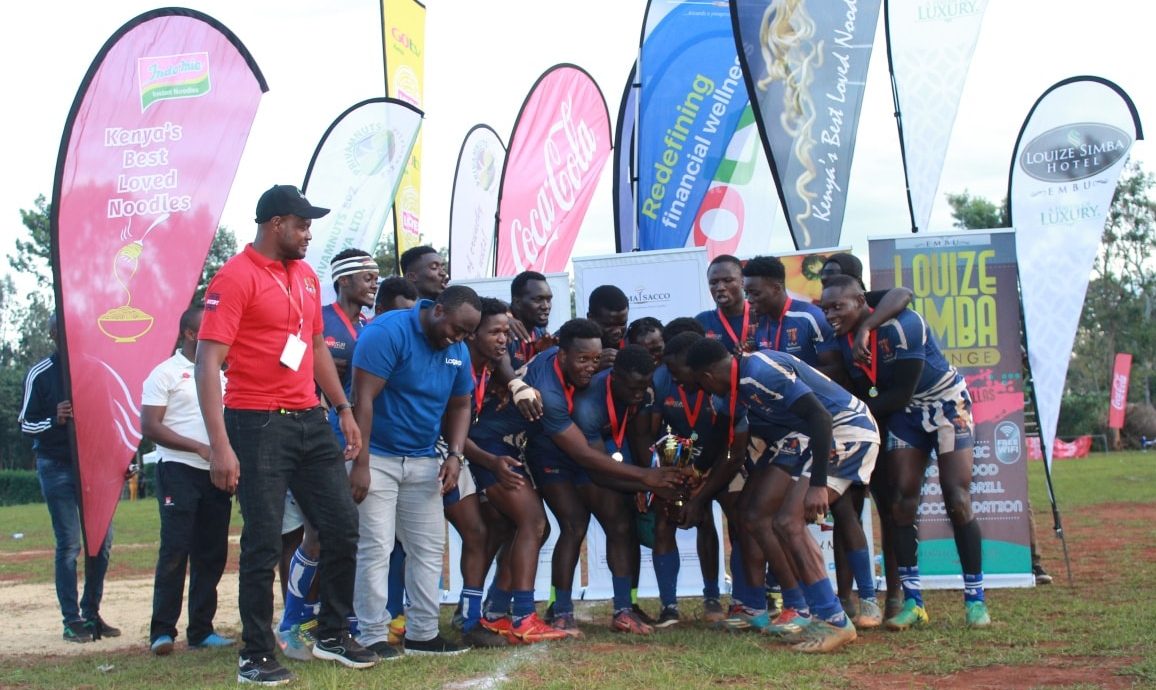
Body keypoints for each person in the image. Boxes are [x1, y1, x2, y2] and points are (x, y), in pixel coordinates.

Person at [196, 184, 376, 685]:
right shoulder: (234, 278)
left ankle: (333, 633)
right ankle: (255, 654)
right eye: (301, 225)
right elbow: (207, 363)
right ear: (276, 223)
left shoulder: (308, 277)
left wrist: (341, 408)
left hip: (309, 418)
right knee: (261, 541)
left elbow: (315, 345)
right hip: (255, 423)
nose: (308, 233)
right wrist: (220, 446)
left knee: (342, 526)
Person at [821, 275, 992, 630]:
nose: (830, 315)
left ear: (860, 302)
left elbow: (903, 294)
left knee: (957, 498)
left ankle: (976, 601)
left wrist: (867, 328)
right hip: (906, 415)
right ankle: (914, 602)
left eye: (837, 306)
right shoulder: (841, 335)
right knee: (901, 504)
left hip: (946, 405)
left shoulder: (904, 326)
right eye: (825, 308)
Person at [687, 338, 879, 653]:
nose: (706, 393)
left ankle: (833, 619)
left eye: (701, 386)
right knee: (778, 522)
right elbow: (722, 434)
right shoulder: (740, 383)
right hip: (810, 438)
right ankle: (818, 612)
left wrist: (817, 484)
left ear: (707, 377)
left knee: (789, 522)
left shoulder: (760, 372)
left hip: (847, 431)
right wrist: (695, 471)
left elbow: (821, 417)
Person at [348, 285, 482, 657]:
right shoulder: (387, 332)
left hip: (423, 457)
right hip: (375, 454)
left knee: (427, 547)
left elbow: (460, 405)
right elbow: (363, 400)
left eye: (468, 334)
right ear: (438, 310)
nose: (460, 339)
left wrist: (454, 455)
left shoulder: (456, 349)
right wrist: (360, 464)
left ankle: (423, 633)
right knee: (376, 545)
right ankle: (372, 634)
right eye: (457, 330)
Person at [276, 248, 379, 660]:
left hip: (360, 438)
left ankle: (339, 619)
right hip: (319, 439)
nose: (375, 282)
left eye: (376, 275)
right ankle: (292, 620)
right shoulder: (318, 319)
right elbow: (292, 366)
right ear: (343, 280)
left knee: (349, 529)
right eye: (367, 276)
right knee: (316, 531)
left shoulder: (372, 326)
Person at [460, 299, 565, 644]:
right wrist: (491, 461)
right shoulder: (456, 365)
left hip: (488, 450)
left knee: (515, 527)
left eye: (507, 331)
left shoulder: (496, 364)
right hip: (476, 452)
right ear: (471, 334)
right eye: (495, 332)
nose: (504, 339)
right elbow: (451, 430)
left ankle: (492, 611)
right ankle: (519, 616)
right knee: (530, 524)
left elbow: (506, 361)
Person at [20, 315, 120, 643]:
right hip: (57, 465)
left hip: (93, 467)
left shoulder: (95, 368)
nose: (73, 336)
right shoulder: (41, 373)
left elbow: (109, 418)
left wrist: (119, 458)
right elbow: (25, 423)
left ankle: (91, 613)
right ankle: (71, 620)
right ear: (53, 335)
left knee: (101, 542)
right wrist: (54, 418)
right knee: (69, 544)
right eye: (64, 331)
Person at [141, 305, 234, 655]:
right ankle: (162, 632)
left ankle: (201, 630)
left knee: (211, 552)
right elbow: (150, 427)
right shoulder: (165, 373)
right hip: (178, 469)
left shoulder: (224, 374)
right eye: (208, 330)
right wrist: (199, 447)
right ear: (191, 334)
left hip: (216, 473)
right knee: (176, 549)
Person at [696, 254, 753, 354]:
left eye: (728, 280)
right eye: (713, 282)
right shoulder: (701, 321)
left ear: (743, 282)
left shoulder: (762, 316)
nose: (720, 287)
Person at [506, 270, 556, 369]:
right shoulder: (505, 332)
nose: (546, 306)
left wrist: (541, 354)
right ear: (517, 302)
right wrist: (504, 315)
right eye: (538, 299)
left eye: (549, 300)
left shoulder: (541, 333)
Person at [587, 285, 629, 371]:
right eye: (609, 325)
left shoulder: (635, 340)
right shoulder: (572, 342)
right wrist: (593, 367)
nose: (617, 331)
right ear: (590, 318)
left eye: (622, 323)